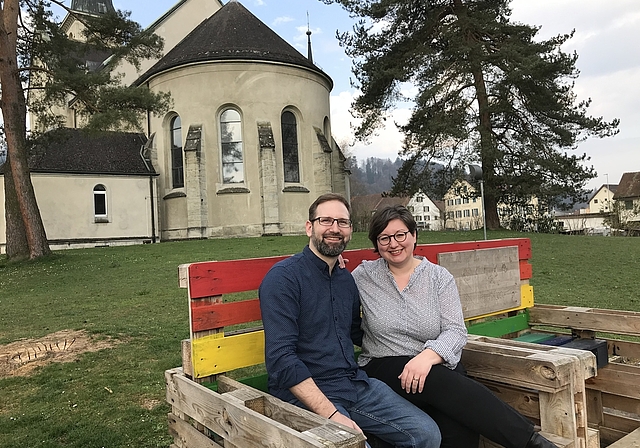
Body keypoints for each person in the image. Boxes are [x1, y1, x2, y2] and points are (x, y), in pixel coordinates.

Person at [352, 205, 559, 448]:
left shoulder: (438, 277)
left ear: (414, 235)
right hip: (385, 364)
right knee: (445, 384)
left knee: (458, 426)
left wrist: (427, 357)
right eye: (384, 238)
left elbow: (456, 330)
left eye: (400, 235)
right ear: (376, 244)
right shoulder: (363, 276)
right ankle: (532, 443)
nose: (394, 243)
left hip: (434, 366)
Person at [259, 194, 441, 448]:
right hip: (304, 393)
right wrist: (332, 414)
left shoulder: (346, 280)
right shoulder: (284, 279)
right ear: (309, 227)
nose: (335, 228)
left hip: (354, 384)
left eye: (342, 222)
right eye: (326, 220)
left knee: (426, 434)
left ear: (350, 231)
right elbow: (281, 358)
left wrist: (422, 349)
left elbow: (359, 333)